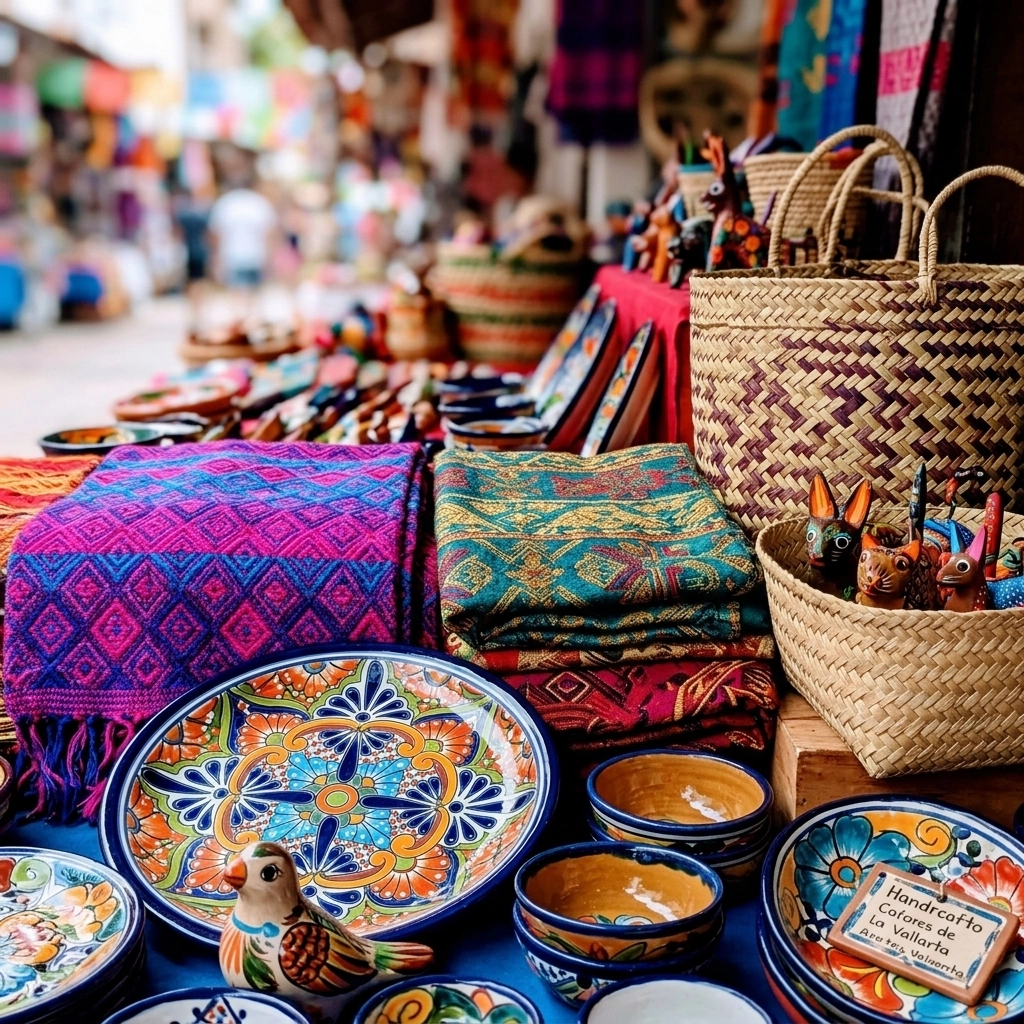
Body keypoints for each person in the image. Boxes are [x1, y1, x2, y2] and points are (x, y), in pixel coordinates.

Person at [207, 182, 278, 289]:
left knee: (236, 294)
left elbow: (215, 234)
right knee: (253, 295)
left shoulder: (225, 202)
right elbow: (270, 234)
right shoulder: (259, 202)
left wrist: (216, 258)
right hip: (255, 257)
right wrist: (270, 259)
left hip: (232, 257)